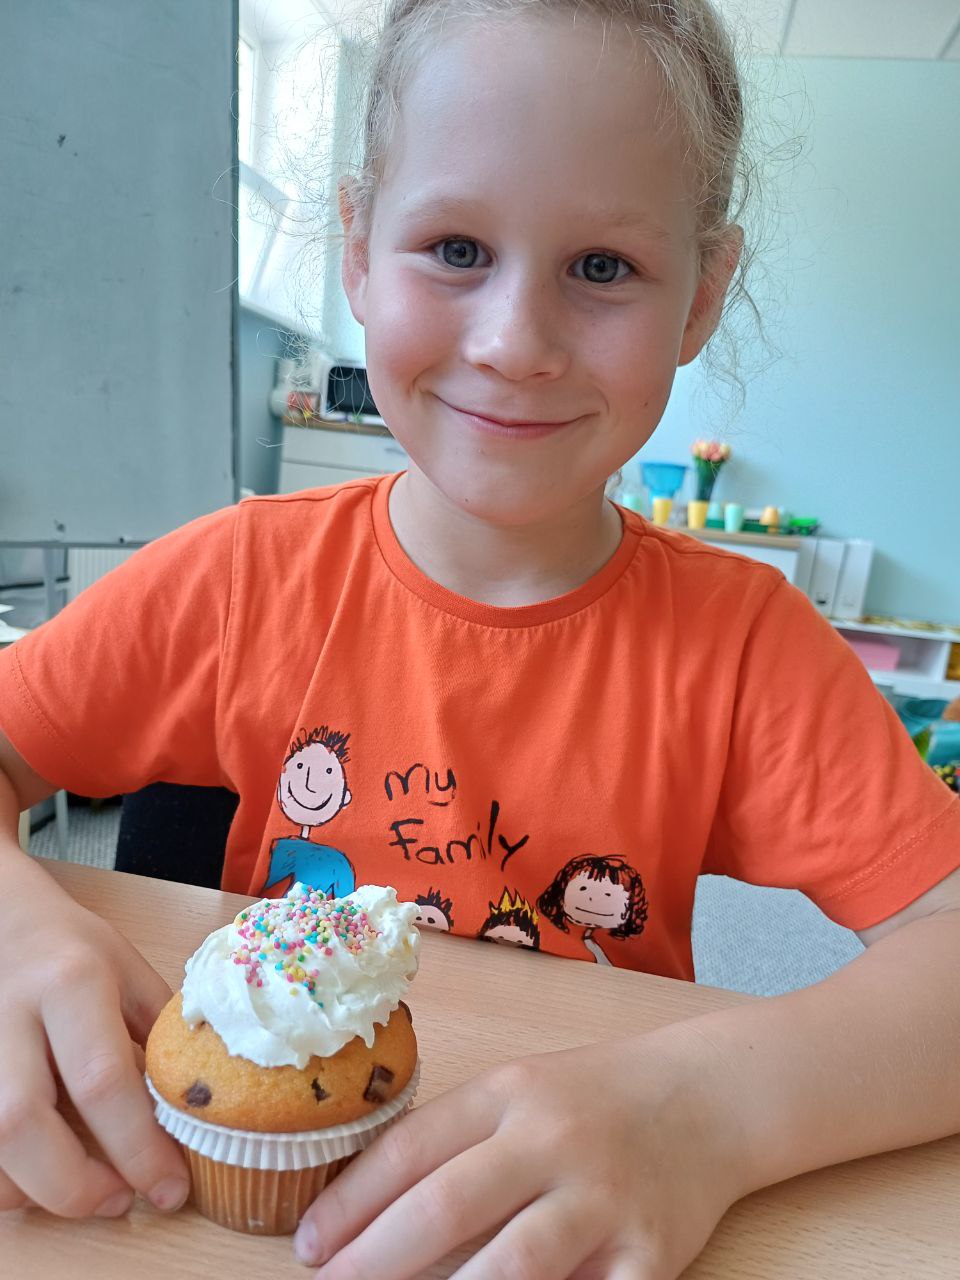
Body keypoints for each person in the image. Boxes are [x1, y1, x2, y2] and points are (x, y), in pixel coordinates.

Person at [1, 0, 959, 1274]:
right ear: (357, 249)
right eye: (456, 247)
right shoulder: (235, 579)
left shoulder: (746, 648)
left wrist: (707, 1109)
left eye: (602, 267)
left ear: (702, 296)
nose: (514, 345)